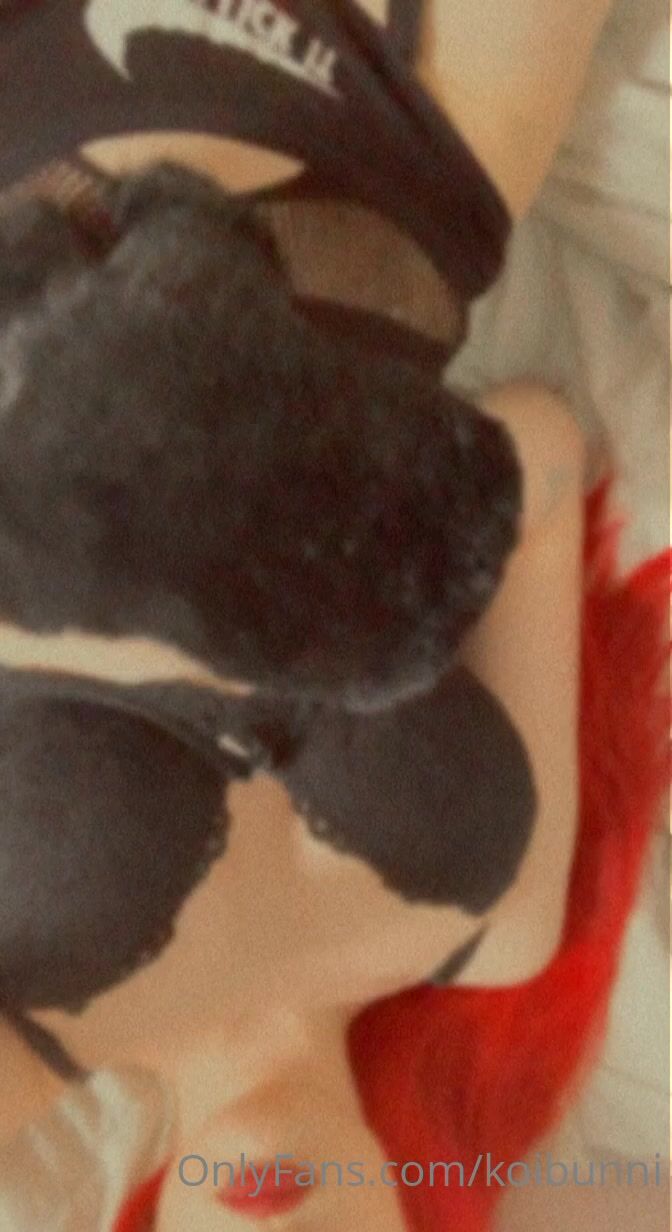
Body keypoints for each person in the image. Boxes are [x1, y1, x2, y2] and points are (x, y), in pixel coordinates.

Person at [0, 3, 667, 1231]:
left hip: (41, 134)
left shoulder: (23, 1057)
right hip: (405, 158)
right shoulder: (501, 932)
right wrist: (377, 549)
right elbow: (539, 454)